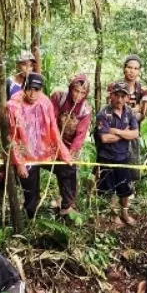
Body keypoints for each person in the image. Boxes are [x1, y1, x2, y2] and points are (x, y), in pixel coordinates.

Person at [8, 73, 73, 219]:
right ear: (24, 88)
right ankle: (30, 219)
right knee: (31, 192)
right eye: (29, 89)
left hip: (45, 151)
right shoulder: (13, 105)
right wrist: (19, 163)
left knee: (68, 168)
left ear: (41, 90)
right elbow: (12, 136)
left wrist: (64, 153)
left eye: (36, 90)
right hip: (26, 156)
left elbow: (54, 129)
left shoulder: (45, 102)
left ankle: (67, 207)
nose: (32, 93)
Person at [95, 81, 139, 227]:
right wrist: (125, 133)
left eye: (122, 96)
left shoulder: (130, 112)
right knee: (109, 190)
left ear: (127, 97)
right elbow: (105, 138)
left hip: (123, 157)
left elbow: (135, 133)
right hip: (106, 157)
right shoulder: (104, 114)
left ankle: (124, 213)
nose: (119, 99)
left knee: (125, 189)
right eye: (117, 95)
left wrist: (117, 132)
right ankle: (113, 217)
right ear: (111, 95)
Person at [50, 73, 92, 215]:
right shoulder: (58, 98)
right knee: (58, 170)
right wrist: (58, 146)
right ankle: (63, 201)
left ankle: (68, 205)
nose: (78, 95)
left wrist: (71, 153)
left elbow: (80, 135)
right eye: (76, 91)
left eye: (82, 93)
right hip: (53, 142)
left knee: (70, 170)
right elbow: (51, 121)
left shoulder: (85, 110)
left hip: (71, 146)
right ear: (71, 88)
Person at [107, 55, 147, 180]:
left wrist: (129, 113)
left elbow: (142, 113)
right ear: (124, 68)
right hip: (113, 130)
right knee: (110, 161)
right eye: (129, 67)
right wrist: (134, 109)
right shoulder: (113, 86)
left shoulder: (142, 90)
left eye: (136, 68)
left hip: (132, 131)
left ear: (139, 71)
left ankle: (129, 189)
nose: (132, 71)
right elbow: (110, 107)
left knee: (132, 161)